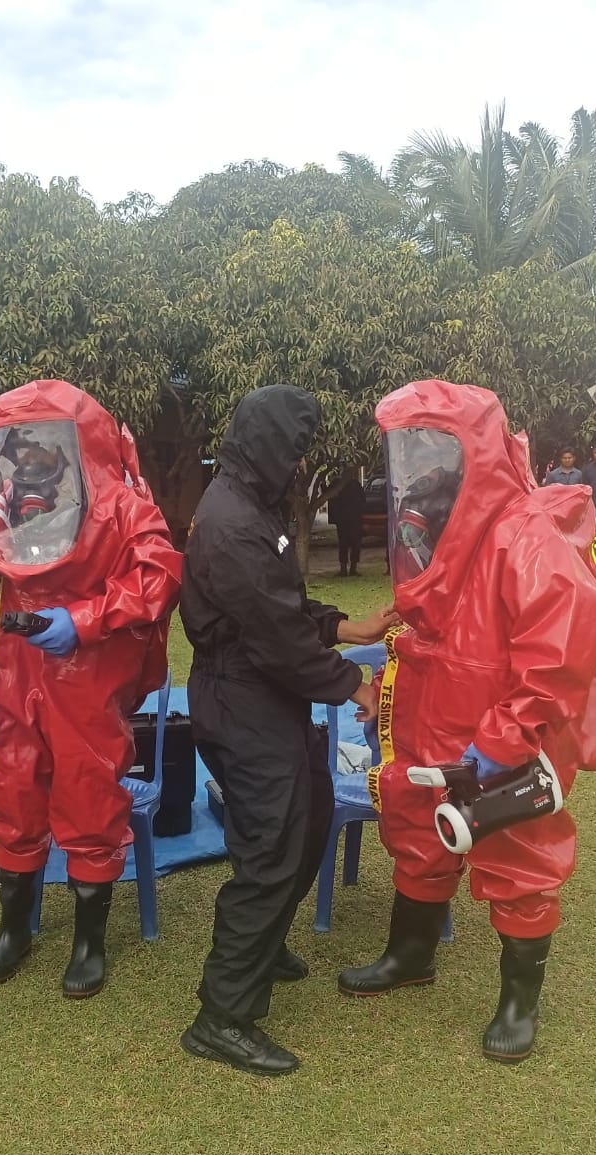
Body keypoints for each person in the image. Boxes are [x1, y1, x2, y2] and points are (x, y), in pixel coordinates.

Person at [338, 380, 596, 1064]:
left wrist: (507, 735)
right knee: (417, 828)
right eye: (408, 445)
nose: (415, 461)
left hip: (498, 724)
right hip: (431, 699)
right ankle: (409, 956)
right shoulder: (436, 512)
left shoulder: (526, 532)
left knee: (518, 852)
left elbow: (558, 650)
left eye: (431, 443)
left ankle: (516, 1004)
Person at [0, 380, 181, 999]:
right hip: (10, 667)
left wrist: (85, 620)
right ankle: (15, 929)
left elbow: (161, 573)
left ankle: (88, 941)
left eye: (43, 446)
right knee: (10, 788)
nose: (29, 460)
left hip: (86, 674)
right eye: (19, 447)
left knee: (89, 794)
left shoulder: (118, 504)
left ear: (75, 446)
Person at [178, 384, 396, 1077]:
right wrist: (350, 682)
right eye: (296, 451)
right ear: (268, 445)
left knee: (310, 821)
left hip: (267, 694)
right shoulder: (232, 521)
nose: (301, 465)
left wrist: (343, 624)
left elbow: (285, 603)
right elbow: (274, 636)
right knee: (271, 848)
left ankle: (264, 945)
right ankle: (222, 1016)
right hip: (240, 698)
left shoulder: (257, 501)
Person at [327, 474, 367, 576]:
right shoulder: (354, 484)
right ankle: (350, 569)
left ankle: (346, 569)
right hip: (351, 519)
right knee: (353, 544)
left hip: (345, 519)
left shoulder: (338, 484)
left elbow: (331, 499)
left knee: (346, 544)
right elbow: (363, 501)